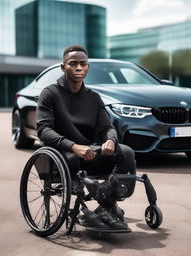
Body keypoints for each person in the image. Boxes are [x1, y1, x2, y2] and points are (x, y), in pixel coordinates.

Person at [36, 45, 136, 231]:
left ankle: (105, 206)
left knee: (126, 153)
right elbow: (44, 130)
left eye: (83, 64)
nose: (79, 68)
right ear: (63, 67)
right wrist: (73, 146)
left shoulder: (94, 97)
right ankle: (102, 208)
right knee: (73, 158)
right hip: (63, 154)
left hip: (91, 152)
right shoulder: (49, 94)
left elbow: (107, 127)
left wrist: (110, 140)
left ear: (88, 67)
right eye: (73, 64)